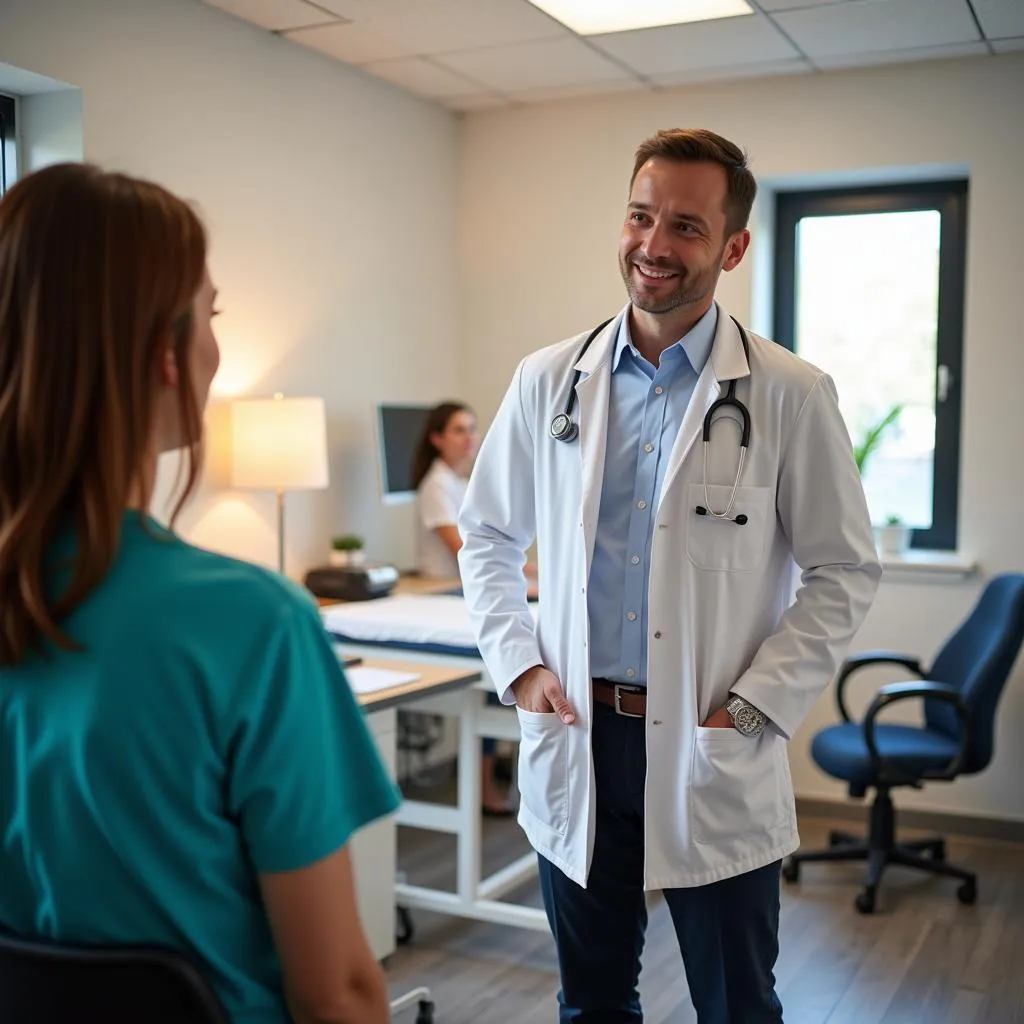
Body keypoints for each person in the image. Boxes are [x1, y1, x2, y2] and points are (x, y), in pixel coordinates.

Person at [457, 128, 883, 1022]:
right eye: (641, 216)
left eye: (686, 227)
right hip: (580, 734)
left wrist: (756, 702)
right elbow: (488, 533)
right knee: (593, 1003)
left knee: (735, 1005)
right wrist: (522, 670)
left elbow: (843, 569)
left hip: (706, 740)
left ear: (732, 248)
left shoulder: (789, 393)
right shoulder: (549, 381)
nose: (654, 246)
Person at [0, 164, 399, 1024]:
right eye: (210, 315)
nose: (218, 345)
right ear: (165, 355)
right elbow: (338, 994)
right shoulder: (250, 623)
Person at [410, 402, 514, 816]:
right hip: (447, 592)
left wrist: (544, 574)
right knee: (494, 679)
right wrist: (527, 579)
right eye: (458, 430)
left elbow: (494, 548)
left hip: (463, 588)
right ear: (437, 438)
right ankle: (484, 787)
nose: (470, 437)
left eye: (472, 428)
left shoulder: (459, 482)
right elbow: (468, 550)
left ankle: (488, 782)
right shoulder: (436, 486)